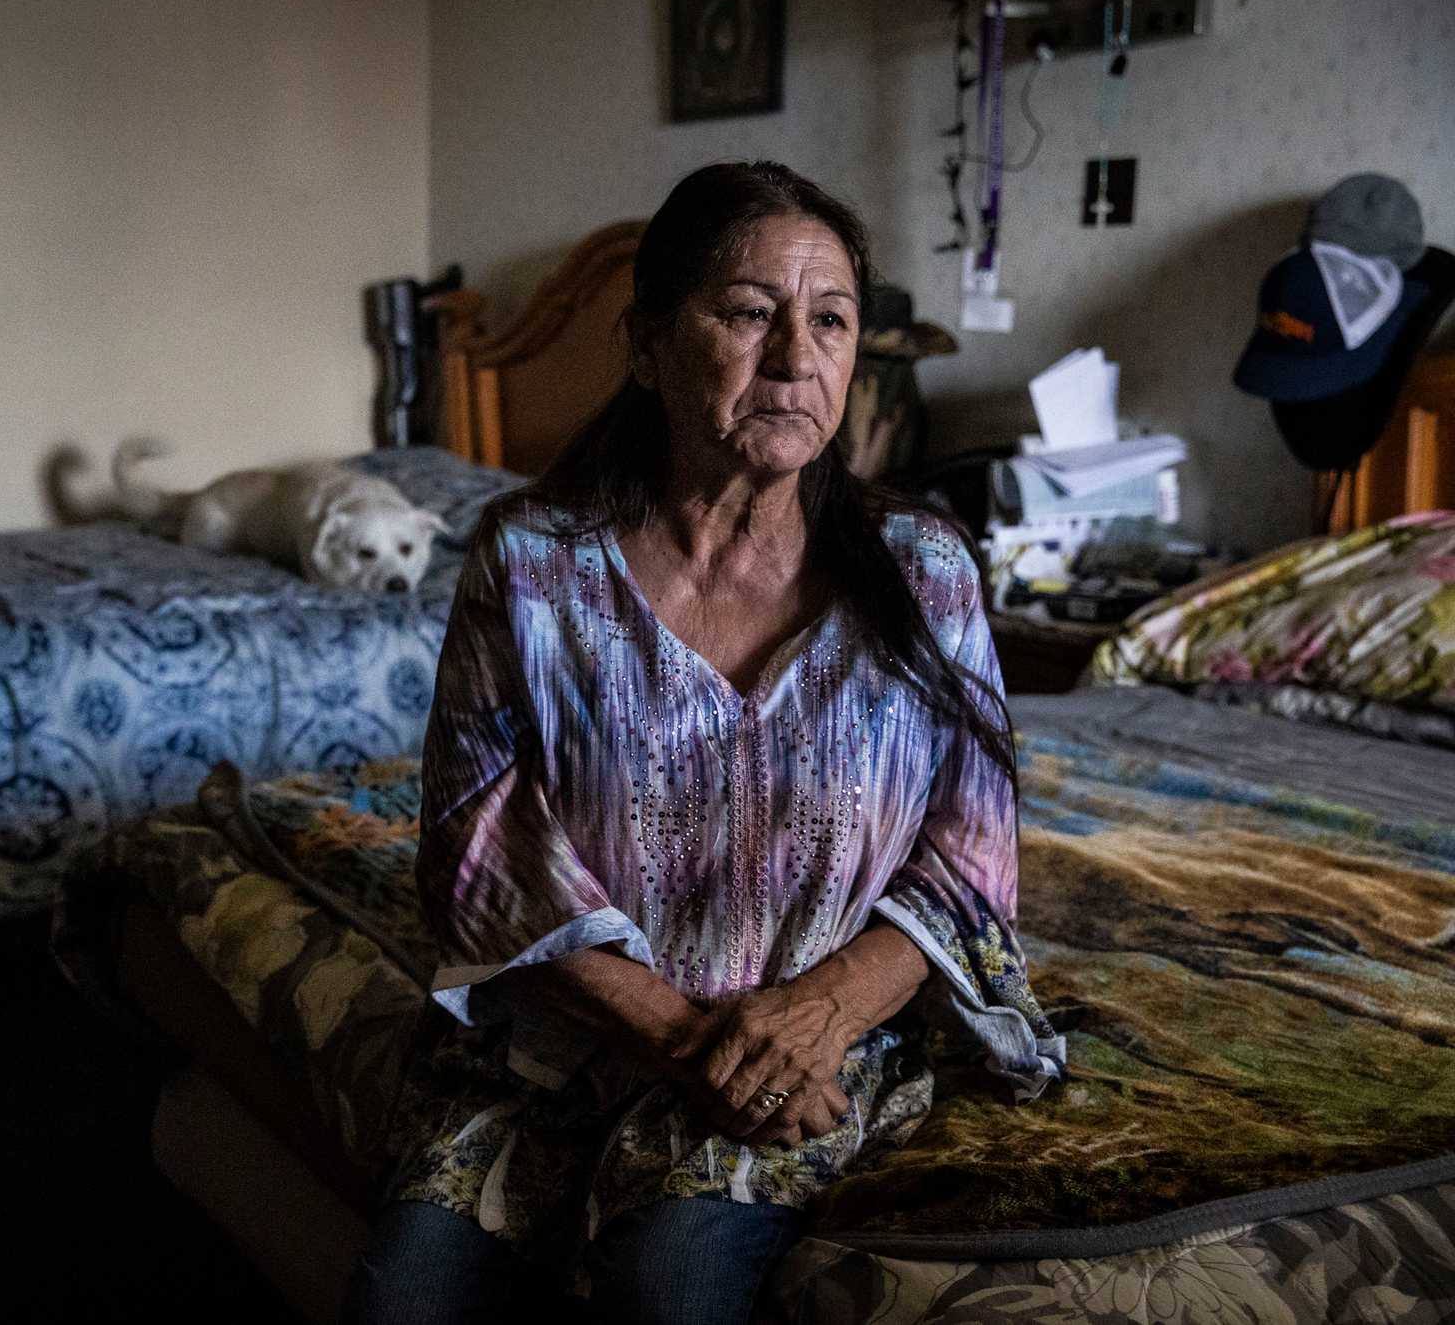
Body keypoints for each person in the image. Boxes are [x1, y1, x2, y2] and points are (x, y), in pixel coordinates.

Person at [343, 162, 1064, 1325]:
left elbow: (972, 864)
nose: (795, 357)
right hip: (576, 1040)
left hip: (824, 1044)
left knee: (666, 1282)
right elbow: (472, 851)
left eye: (829, 321)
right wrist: (682, 1036)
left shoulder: (925, 571)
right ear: (643, 345)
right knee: (400, 1301)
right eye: (745, 312)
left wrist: (818, 1016)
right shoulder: (531, 564)